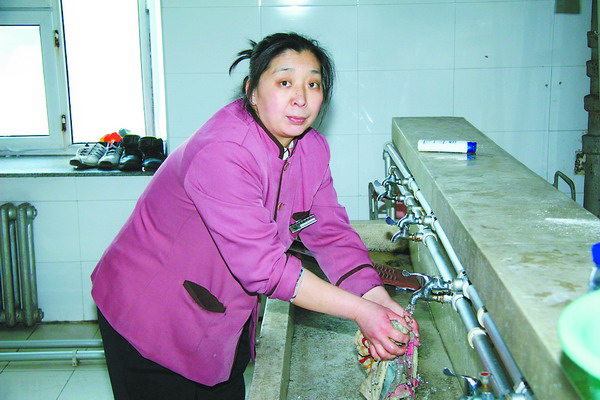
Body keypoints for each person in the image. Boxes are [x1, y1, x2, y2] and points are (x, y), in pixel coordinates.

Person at [91, 32, 419, 400]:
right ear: (252, 91)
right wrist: (360, 311)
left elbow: (329, 231)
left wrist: (376, 297)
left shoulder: (309, 148)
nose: (301, 98)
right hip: (150, 314)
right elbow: (264, 267)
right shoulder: (224, 151)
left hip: (215, 316)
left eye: (313, 84)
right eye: (284, 82)